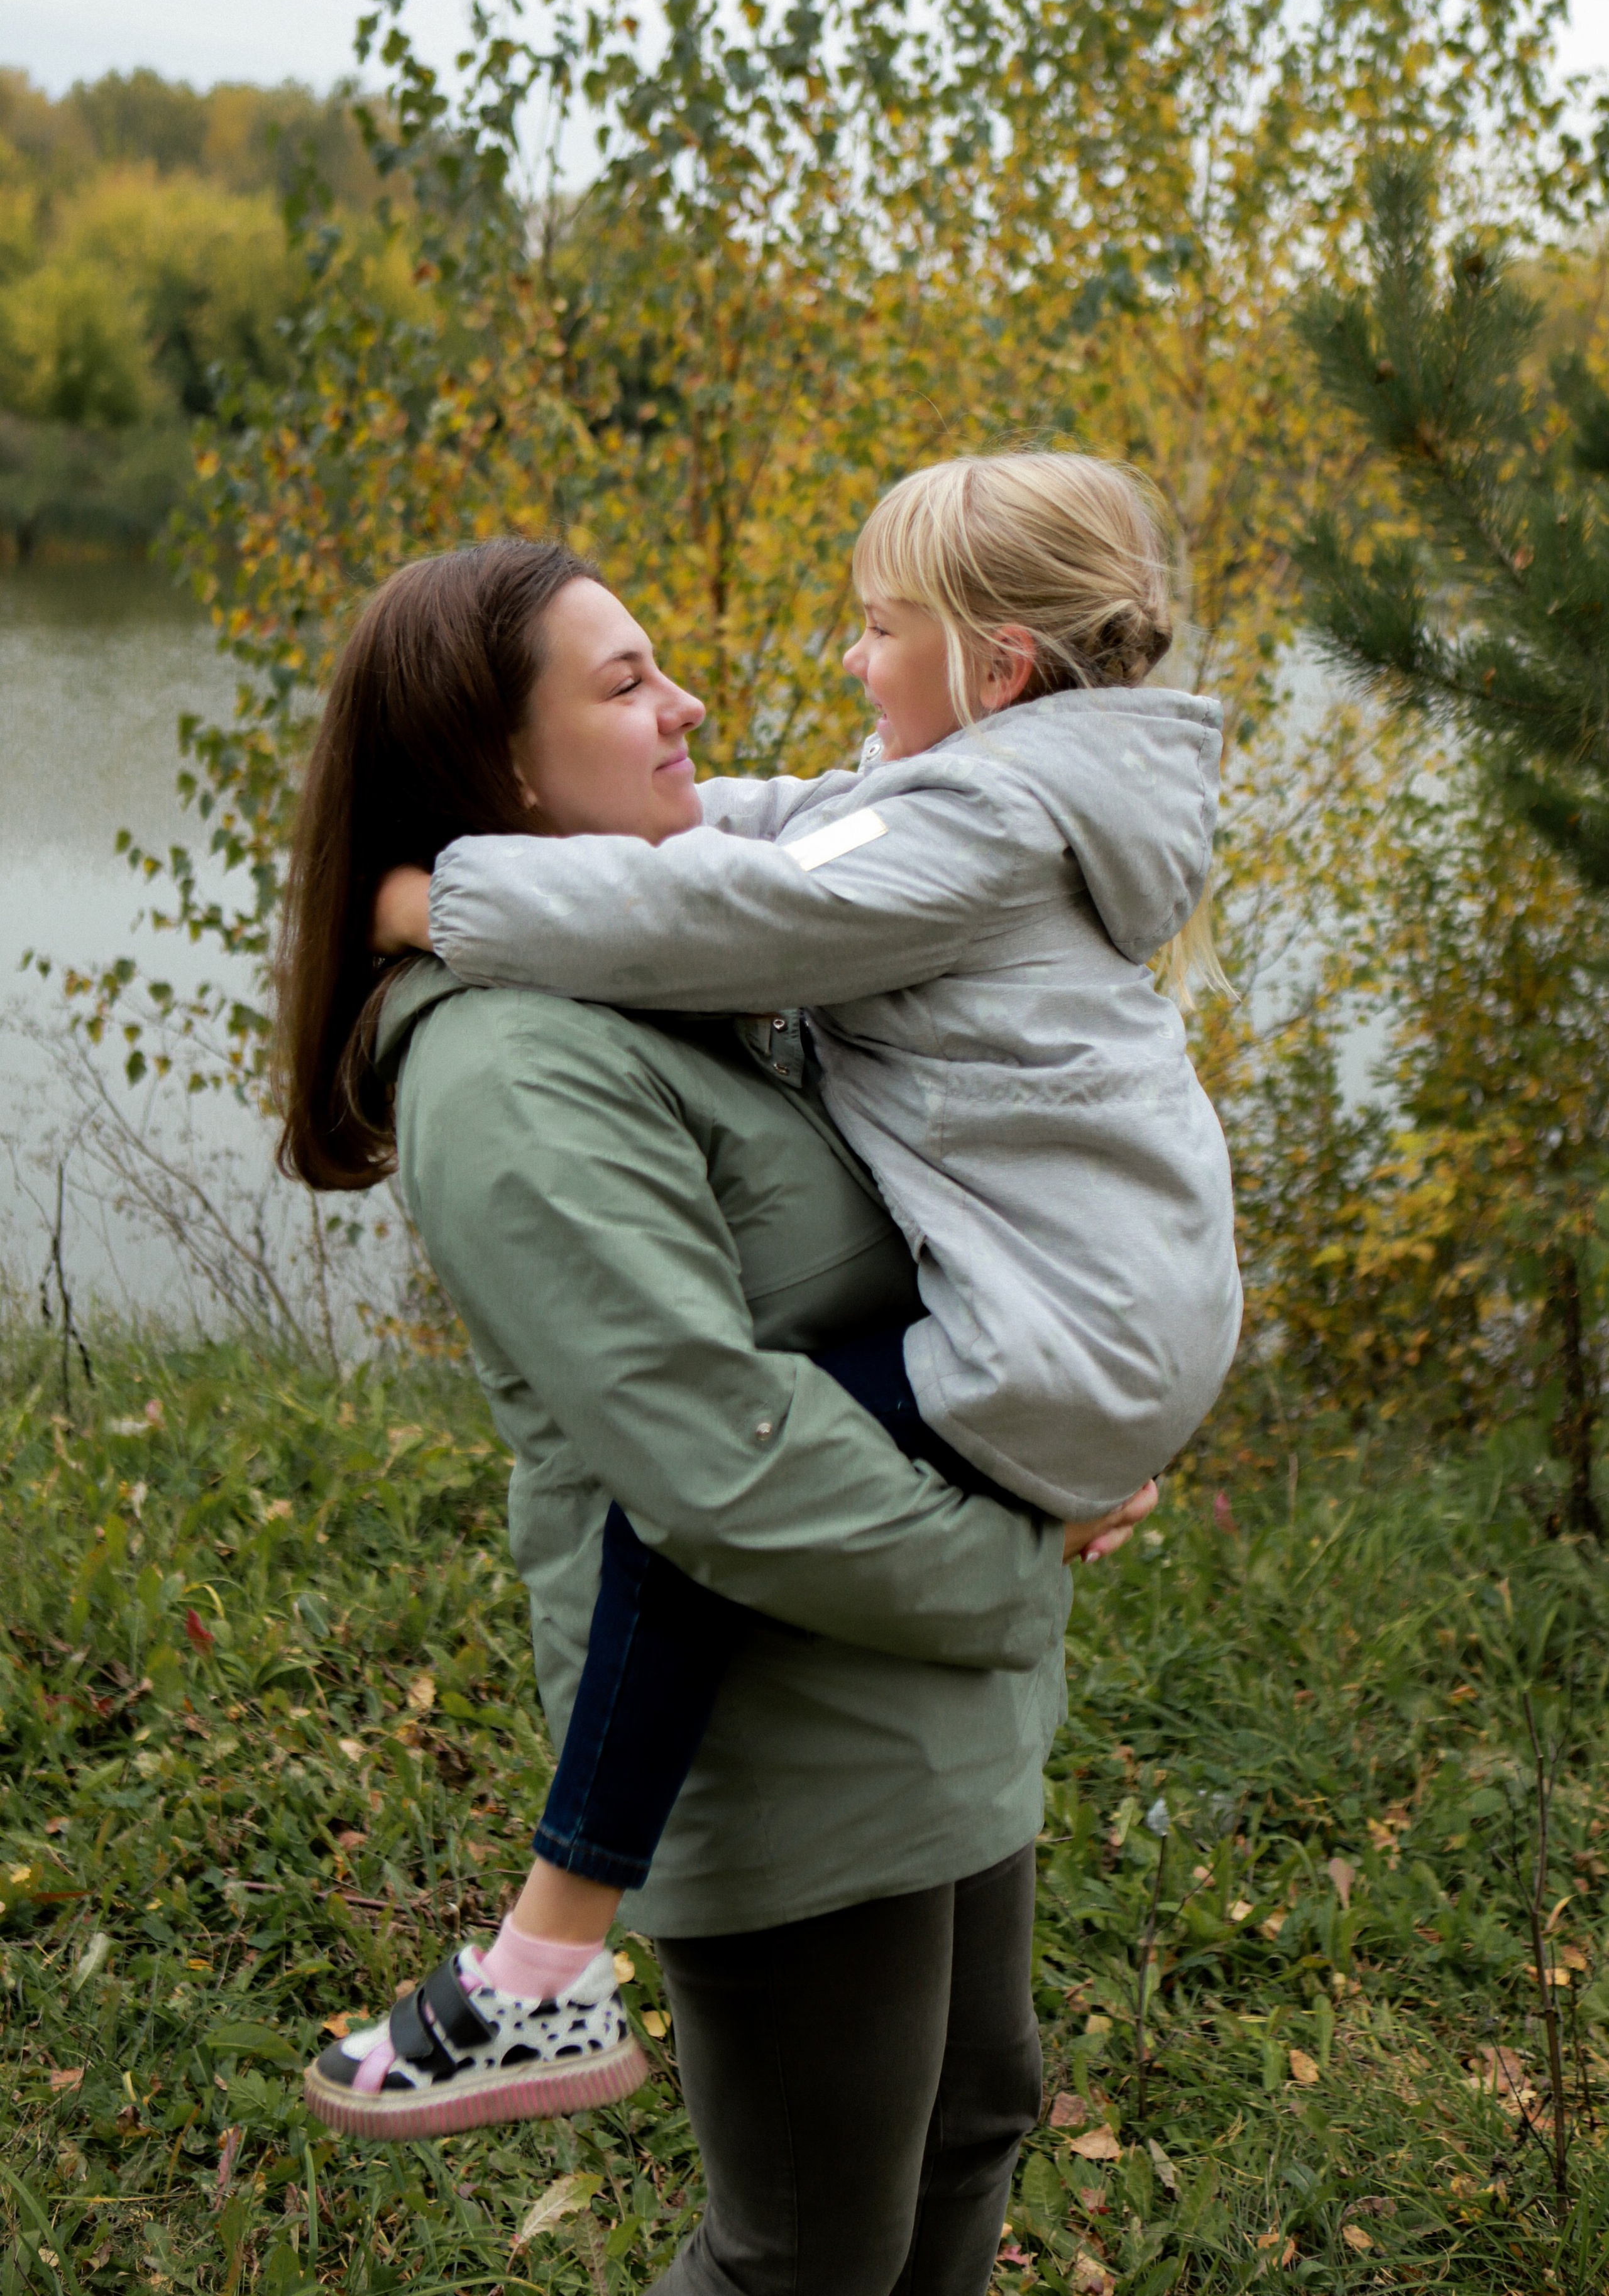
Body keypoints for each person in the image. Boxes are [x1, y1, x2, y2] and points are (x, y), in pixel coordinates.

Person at [275, 535, 1154, 2292]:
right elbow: (712, 1458)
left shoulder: (676, 967)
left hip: (910, 1697)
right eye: (625, 686)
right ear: (504, 770)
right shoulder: (517, 1064)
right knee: (805, 2252)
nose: (686, 709)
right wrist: (1017, 1551)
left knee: (978, 2119)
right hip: (787, 1730)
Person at [368, 451, 1241, 2053]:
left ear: (994, 666)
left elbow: (721, 916)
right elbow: (789, 826)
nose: (847, 659)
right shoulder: (1014, 783)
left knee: (694, 1497)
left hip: (1078, 1325)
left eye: (874, 628)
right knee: (724, 1464)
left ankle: (547, 1951)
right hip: (1119, 1301)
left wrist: (445, 897)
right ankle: (547, 1954)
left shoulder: (977, 823)